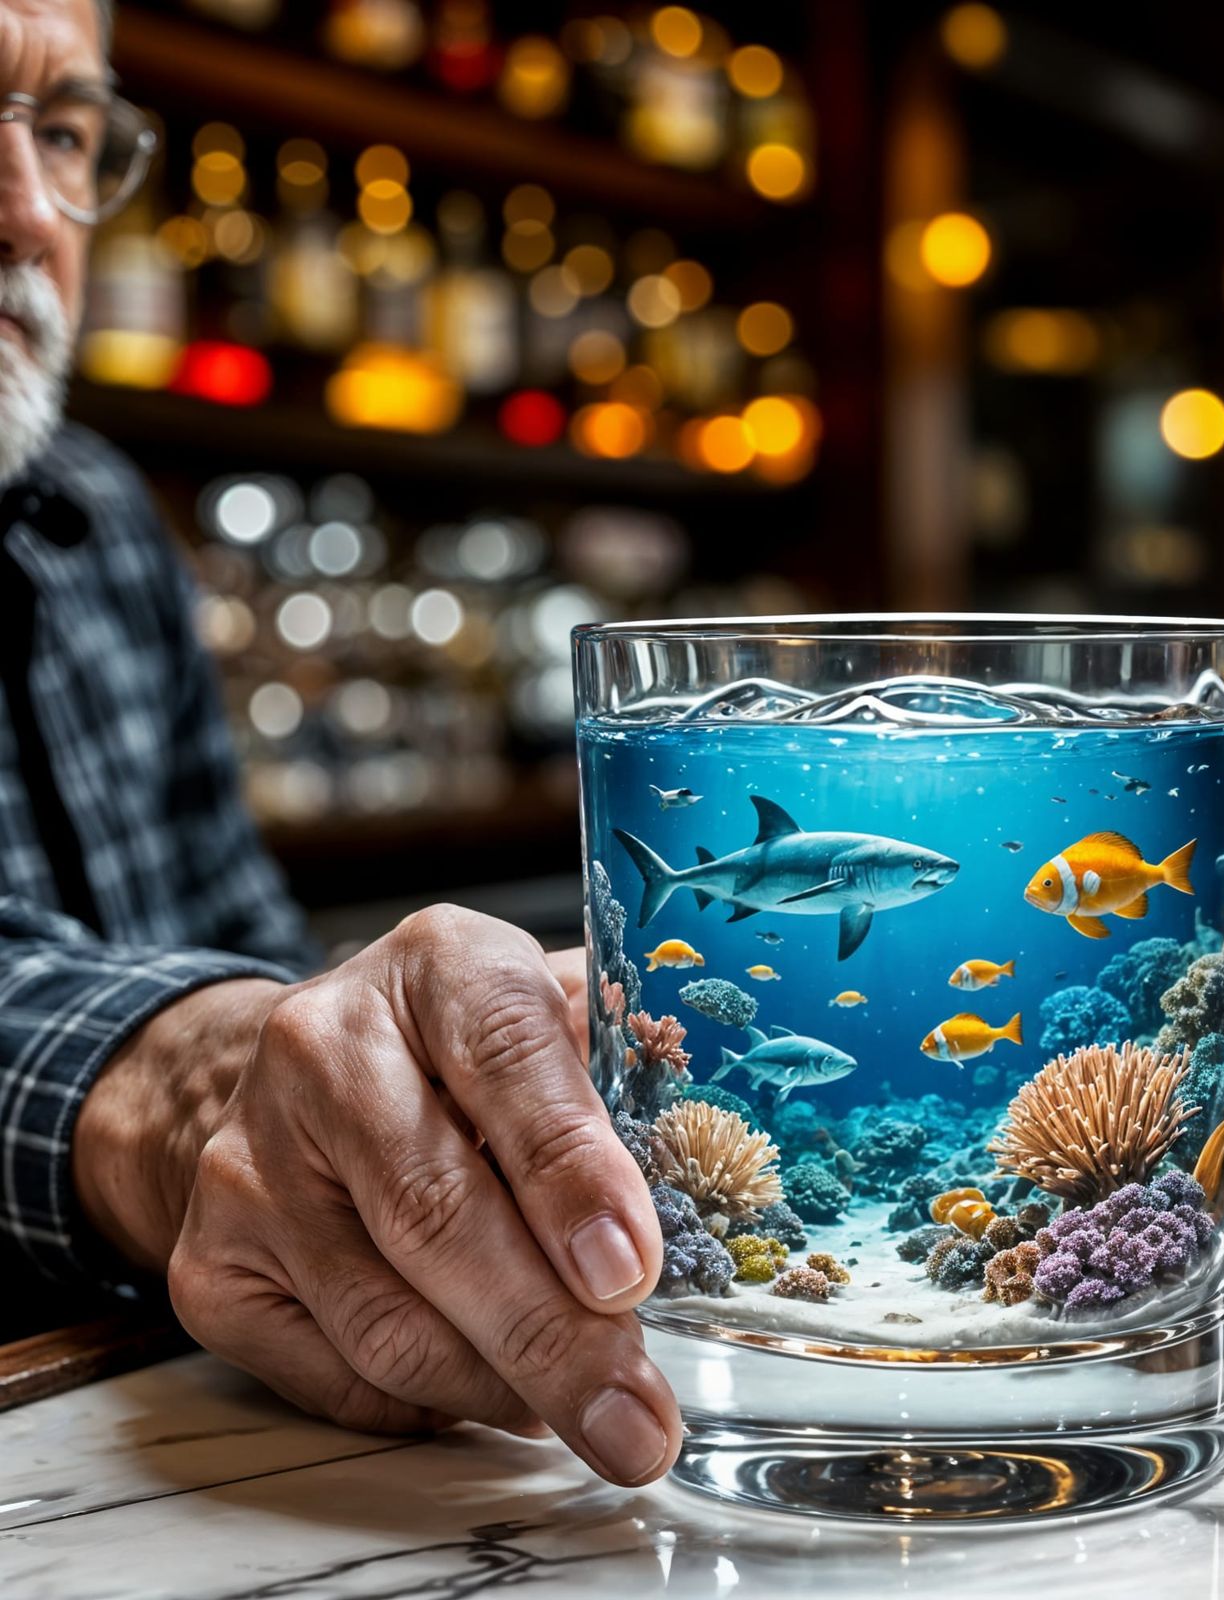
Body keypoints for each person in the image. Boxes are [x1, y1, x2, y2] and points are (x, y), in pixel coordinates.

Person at [0, 0, 680, 1489]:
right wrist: (178, 1085)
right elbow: (195, 1067)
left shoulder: (98, 522)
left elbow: (250, 955)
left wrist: (382, 1105)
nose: (24, 211)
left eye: (58, 132)